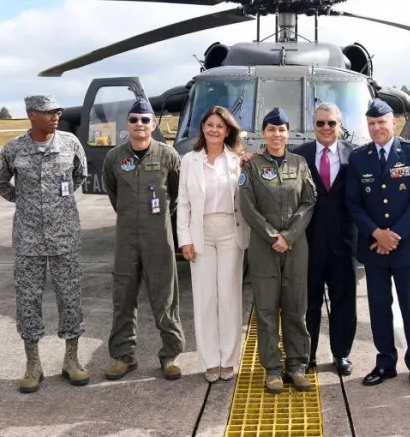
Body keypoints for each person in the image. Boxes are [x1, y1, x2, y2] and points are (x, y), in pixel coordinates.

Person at [0, 94, 89, 393]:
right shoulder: (14, 149)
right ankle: (33, 364)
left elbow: (79, 175)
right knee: (28, 299)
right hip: (28, 238)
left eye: (57, 111)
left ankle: (71, 360)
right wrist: (25, 200)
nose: (55, 116)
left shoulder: (70, 143)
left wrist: (57, 204)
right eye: (48, 112)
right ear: (32, 115)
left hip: (65, 235)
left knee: (70, 296)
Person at [346, 98, 410, 393]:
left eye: (381, 122)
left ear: (393, 122)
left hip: (407, 247)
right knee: (379, 308)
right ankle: (385, 363)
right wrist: (376, 234)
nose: (376, 128)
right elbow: (353, 203)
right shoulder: (359, 158)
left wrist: (393, 235)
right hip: (374, 249)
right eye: (371, 124)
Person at [101, 98, 186, 381]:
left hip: (158, 237)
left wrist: (158, 217)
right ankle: (124, 357)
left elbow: (175, 193)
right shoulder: (114, 158)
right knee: (123, 297)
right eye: (135, 119)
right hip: (126, 237)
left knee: (165, 297)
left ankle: (170, 354)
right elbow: (113, 193)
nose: (140, 124)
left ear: (154, 124)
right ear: (127, 124)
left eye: (145, 120)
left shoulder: (168, 155)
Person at [238, 107, 317, 394]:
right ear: (263, 133)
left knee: (296, 307)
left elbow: (309, 200)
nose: (276, 134)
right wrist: (273, 235)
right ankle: (272, 369)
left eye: (281, 129)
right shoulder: (251, 166)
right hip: (264, 247)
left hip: (296, 247)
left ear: (288, 132)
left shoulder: (300, 163)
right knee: (268, 310)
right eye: (271, 129)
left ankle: (296, 366)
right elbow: (247, 205)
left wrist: (290, 235)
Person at [177, 105, 250, 383]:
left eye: (220, 126)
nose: (214, 130)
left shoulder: (239, 159)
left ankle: (229, 360)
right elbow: (182, 202)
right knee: (205, 298)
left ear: (228, 130)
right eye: (210, 125)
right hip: (201, 231)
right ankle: (210, 361)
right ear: (203, 128)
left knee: (229, 297)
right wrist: (185, 239)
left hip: (231, 230)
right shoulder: (190, 161)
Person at [291, 101, 357, 376]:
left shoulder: (354, 156)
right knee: (309, 303)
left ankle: (341, 354)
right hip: (309, 242)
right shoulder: (299, 155)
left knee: (344, 303)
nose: (326, 128)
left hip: (344, 243)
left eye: (332, 123)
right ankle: (308, 354)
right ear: (313, 126)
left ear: (340, 126)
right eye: (321, 123)